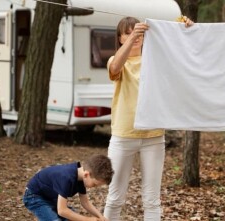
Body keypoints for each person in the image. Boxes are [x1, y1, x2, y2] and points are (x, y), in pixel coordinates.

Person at [103, 16, 194, 221]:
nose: (134, 36)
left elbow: (181, 54)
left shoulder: (155, 60)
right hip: (123, 137)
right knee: (115, 197)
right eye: (127, 33)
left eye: (137, 32)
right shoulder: (116, 60)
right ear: (120, 38)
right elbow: (115, 68)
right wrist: (131, 38)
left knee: (152, 200)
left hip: (153, 136)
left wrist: (186, 29)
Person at [23, 154, 114, 221]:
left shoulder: (81, 177)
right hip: (34, 197)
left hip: (50, 197)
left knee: (71, 217)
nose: (94, 187)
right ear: (87, 174)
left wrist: (100, 217)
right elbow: (62, 210)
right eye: (94, 184)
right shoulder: (66, 178)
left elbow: (85, 202)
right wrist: (88, 219)